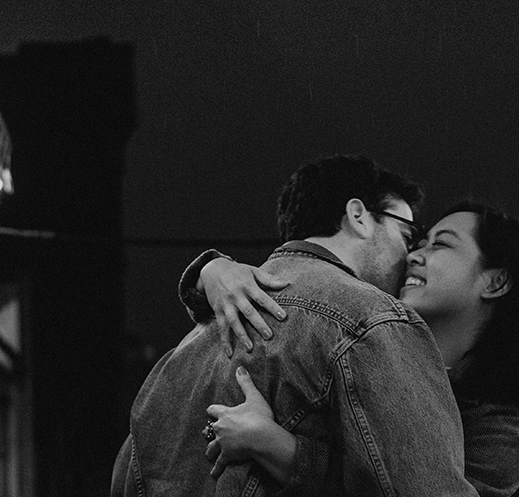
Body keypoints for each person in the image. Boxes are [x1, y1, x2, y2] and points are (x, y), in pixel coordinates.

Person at [111, 155, 481, 497]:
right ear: (359, 216)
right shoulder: (372, 320)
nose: (411, 255)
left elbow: (124, 477)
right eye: (407, 235)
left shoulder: (179, 356)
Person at [187, 201, 519, 497]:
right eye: (418, 241)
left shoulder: (499, 432)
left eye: (441, 245)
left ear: (496, 282)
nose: (415, 254)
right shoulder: (360, 340)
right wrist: (214, 270)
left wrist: (278, 447)